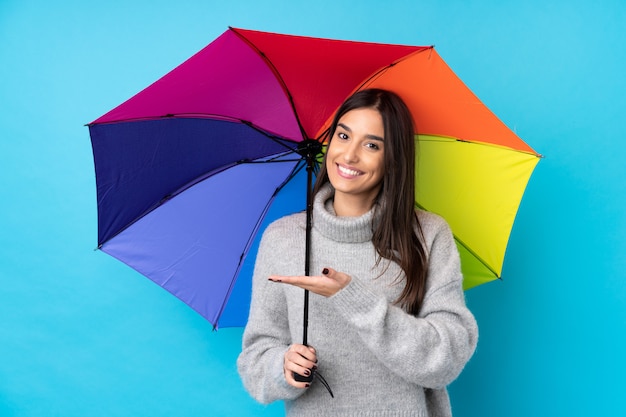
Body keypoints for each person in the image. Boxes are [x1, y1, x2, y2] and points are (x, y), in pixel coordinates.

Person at [237, 89, 478, 416]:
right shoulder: (283, 238)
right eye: (343, 135)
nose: (349, 155)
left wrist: (352, 297)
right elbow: (255, 359)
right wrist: (283, 367)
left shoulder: (428, 235)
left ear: (393, 158)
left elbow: (445, 359)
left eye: (371, 145)